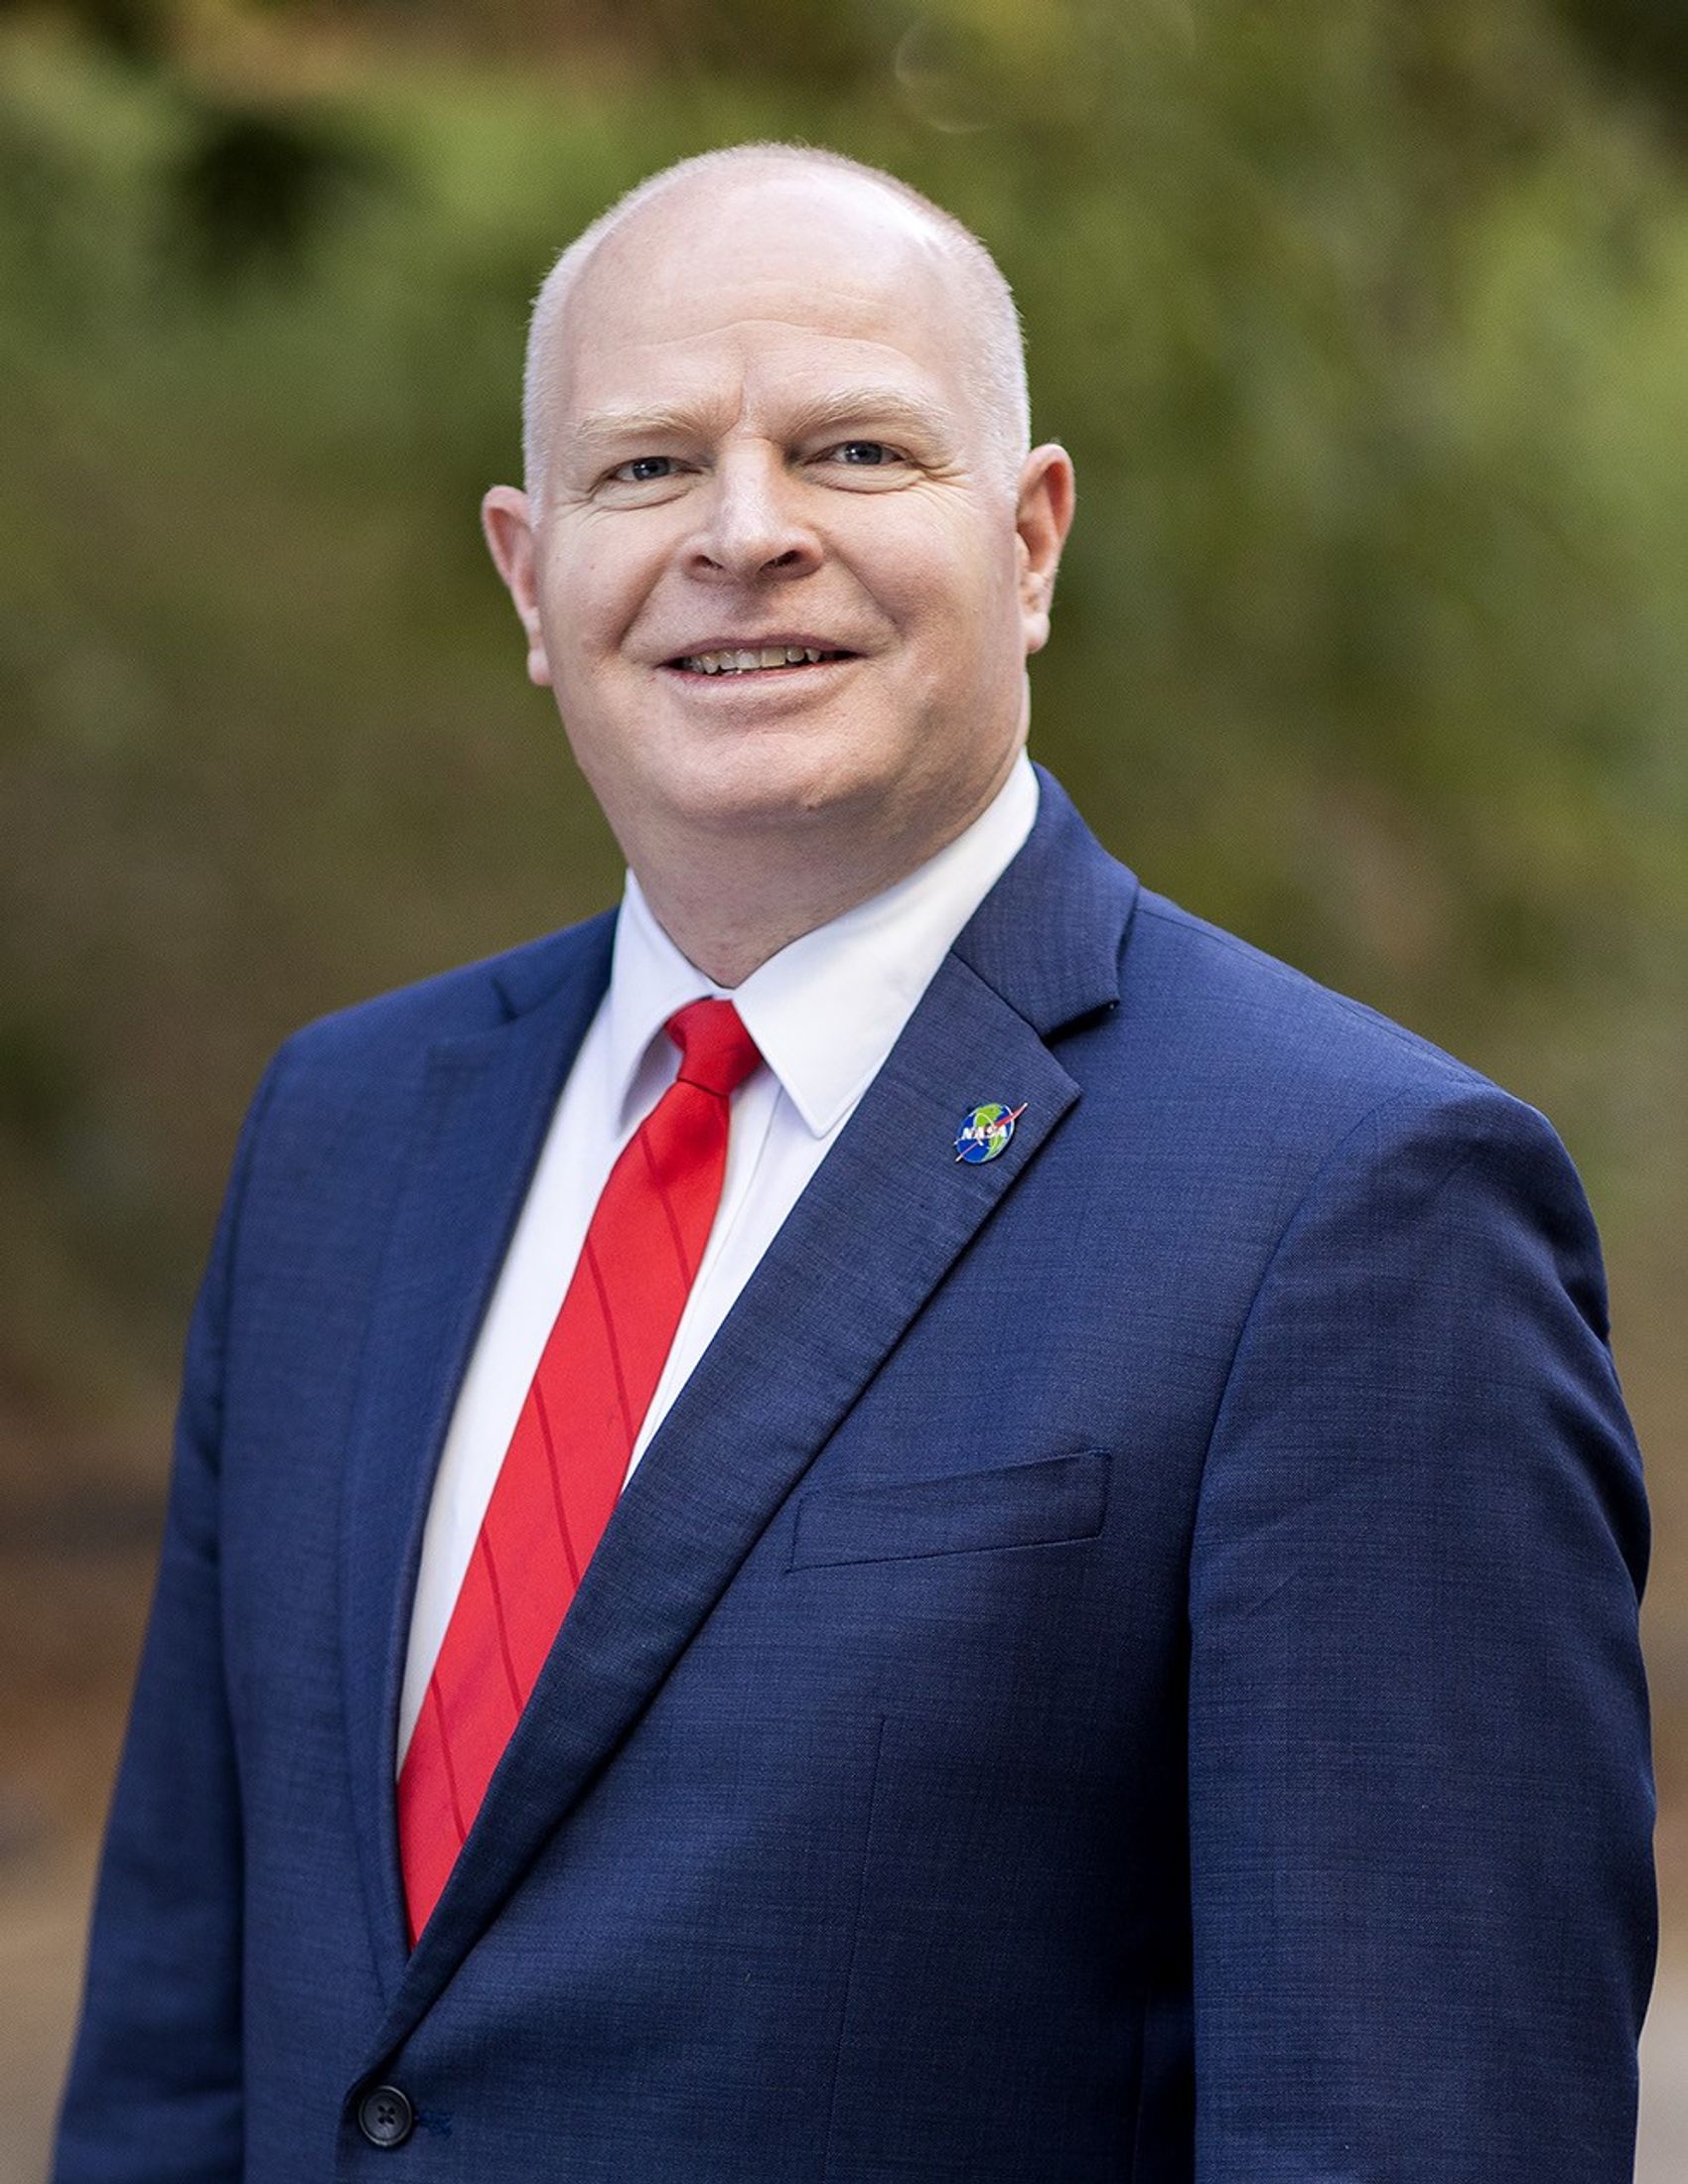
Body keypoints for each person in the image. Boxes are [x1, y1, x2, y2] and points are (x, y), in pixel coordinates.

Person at [55, 143, 1655, 2183]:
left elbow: (1414, 2130)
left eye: (852, 447)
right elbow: (187, 2044)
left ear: (1034, 537)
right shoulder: (344, 1137)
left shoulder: (1358, 1205)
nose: (745, 535)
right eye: (646, 469)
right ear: (529, 579)